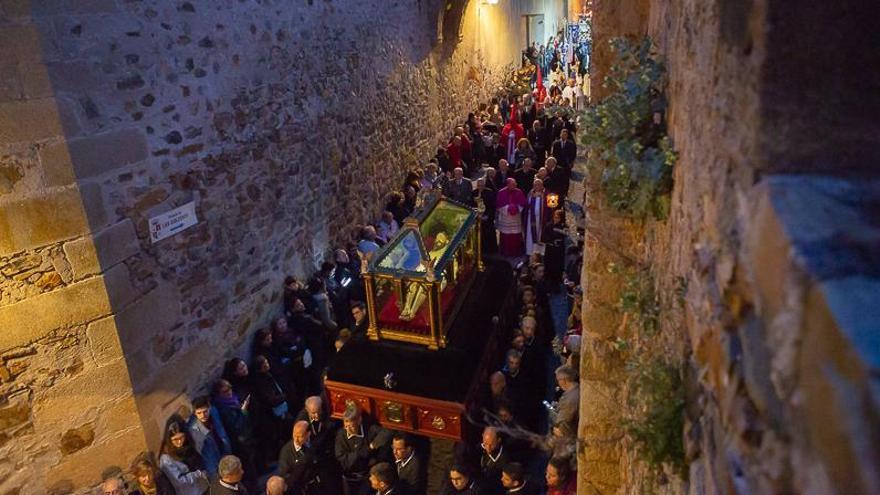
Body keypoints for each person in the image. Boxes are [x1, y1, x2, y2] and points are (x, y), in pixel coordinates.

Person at [335, 407, 392, 495]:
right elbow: (342, 458)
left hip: (366, 476)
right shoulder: (341, 435)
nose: (348, 430)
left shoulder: (368, 429)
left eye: (352, 426)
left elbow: (387, 432)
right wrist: (366, 451)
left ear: (359, 421)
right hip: (349, 476)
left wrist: (373, 445)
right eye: (346, 426)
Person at [159, 416, 209, 495]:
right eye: (175, 439)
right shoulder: (166, 458)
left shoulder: (188, 446)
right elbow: (178, 481)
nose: (179, 442)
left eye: (181, 437)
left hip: (203, 488)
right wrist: (198, 474)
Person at [188, 396, 232, 479]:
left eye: (205, 411)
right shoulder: (194, 429)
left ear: (209, 408)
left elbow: (222, 434)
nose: (203, 415)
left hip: (224, 453)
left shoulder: (214, 413)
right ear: (194, 413)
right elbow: (200, 453)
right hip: (212, 464)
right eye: (199, 413)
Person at [278, 421, 319, 494]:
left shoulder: (312, 443)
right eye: (294, 435)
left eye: (300, 436)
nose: (296, 439)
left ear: (308, 434)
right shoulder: (286, 451)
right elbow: (284, 474)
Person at [495, 179, 526, 258]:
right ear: (508, 184)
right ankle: (505, 253)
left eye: (515, 183)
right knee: (506, 236)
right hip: (505, 217)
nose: (515, 185)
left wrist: (516, 208)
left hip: (516, 218)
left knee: (515, 236)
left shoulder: (519, 191)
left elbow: (522, 203)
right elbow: (499, 205)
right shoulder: (501, 192)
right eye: (513, 184)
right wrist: (508, 208)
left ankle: (516, 252)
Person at [523, 179, 550, 257]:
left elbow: (552, 207)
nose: (537, 186)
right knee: (530, 236)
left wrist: (542, 198)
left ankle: (540, 254)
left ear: (542, 185)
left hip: (542, 220)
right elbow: (526, 205)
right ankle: (530, 252)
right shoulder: (530, 193)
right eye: (535, 185)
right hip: (530, 220)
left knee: (540, 236)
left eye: (539, 185)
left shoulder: (548, 194)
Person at [479, 427, 508, 494]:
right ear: (482, 435)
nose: (488, 449)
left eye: (491, 445)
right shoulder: (479, 447)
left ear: (499, 440)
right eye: (485, 443)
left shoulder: (504, 458)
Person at [553, 366, 580, 439]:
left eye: (558, 380)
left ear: (564, 380)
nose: (558, 383)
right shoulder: (571, 392)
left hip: (568, 437)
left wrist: (558, 430)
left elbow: (566, 419)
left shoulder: (572, 395)